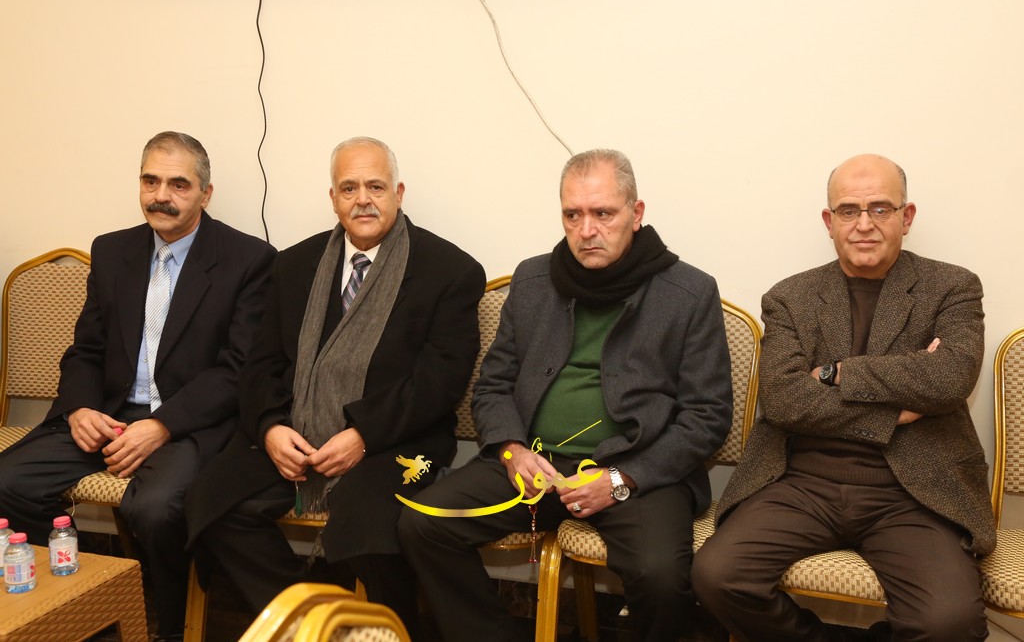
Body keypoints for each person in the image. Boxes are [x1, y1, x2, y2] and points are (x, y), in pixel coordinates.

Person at [398, 148, 734, 641]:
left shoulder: (687, 292)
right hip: (534, 466)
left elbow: (707, 416)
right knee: (422, 526)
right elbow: (493, 385)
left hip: (637, 471)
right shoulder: (534, 280)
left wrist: (620, 478)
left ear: (636, 213)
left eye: (603, 213)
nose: (586, 230)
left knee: (661, 576)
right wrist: (511, 450)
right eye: (572, 215)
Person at [184, 136, 486, 635]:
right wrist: (270, 429)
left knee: (369, 526)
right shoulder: (292, 265)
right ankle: (314, 622)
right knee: (211, 504)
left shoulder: (450, 271)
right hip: (295, 433)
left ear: (398, 193)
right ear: (333, 198)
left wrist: (363, 436)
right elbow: (259, 365)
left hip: (396, 440)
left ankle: (389, 631)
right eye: (349, 188)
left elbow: (439, 383)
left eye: (375, 186)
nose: (362, 199)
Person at [692, 154, 995, 642]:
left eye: (880, 208)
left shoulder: (952, 287)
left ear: (906, 217)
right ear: (829, 221)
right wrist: (894, 411)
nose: (864, 224)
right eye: (849, 210)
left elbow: (948, 379)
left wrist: (835, 372)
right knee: (717, 577)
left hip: (913, 492)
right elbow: (784, 399)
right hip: (800, 483)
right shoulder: (790, 296)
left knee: (949, 623)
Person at [0, 131, 275, 641]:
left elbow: (238, 370)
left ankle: (166, 628)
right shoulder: (111, 251)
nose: (160, 195)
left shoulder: (248, 259)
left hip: (187, 423)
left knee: (154, 508)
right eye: (150, 181)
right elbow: (86, 349)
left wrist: (162, 425)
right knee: (9, 481)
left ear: (206, 194)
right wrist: (80, 408)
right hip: (108, 412)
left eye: (178, 184)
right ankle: (85, 604)